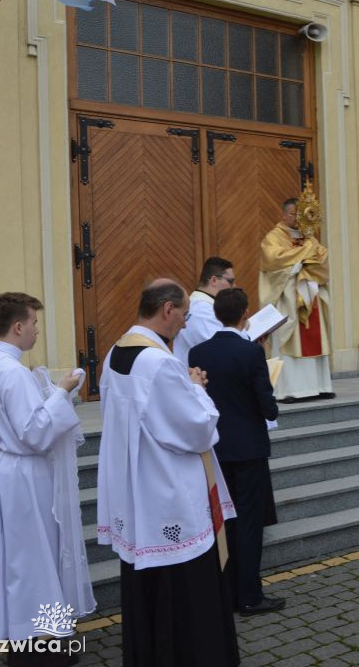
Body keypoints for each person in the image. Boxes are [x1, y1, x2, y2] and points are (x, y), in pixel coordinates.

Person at [97, 279, 240, 667]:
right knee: (184, 590)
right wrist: (196, 388)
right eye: (184, 315)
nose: (184, 323)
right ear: (167, 310)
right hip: (170, 492)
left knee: (149, 590)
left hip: (138, 486)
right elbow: (196, 430)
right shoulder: (159, 362)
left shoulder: (116, 351)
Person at [0, 292, 94, 667]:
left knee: (14, 558)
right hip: (22, 472)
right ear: (18, 326)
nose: (37, 331)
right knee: (34, 558)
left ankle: (23, 638)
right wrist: (62, 391)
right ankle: (41, 647)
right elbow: (35, 431)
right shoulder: (13, 372)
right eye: (34, 323)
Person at [189, 288, 286, 617]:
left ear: (216, 314)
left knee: (224, 522)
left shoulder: (198, 352)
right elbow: (268, 408)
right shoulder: (250, 353)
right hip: (248, 450)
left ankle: (226, 591)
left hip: (216, 448)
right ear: (245, 314)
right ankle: (249, 595)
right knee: (248, 523)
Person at [259, 197, 334, 402]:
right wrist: (302, 258)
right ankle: (289, 390)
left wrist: (307, 257)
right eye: (294, 215)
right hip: (288, 298)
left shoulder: (308, 237)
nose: (298, 219)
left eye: (301, 215)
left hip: (310, 296)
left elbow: (322, 259)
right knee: (289, 342)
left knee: (315, 339)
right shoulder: (273, 237)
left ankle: (320, 386)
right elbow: (272, 261)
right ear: (284, 215)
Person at [173, 257, 236, 365]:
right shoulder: (200, 310)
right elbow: (223, 349)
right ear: (214, 280)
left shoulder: (206, 305)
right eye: (231, 281)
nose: (234, 286)